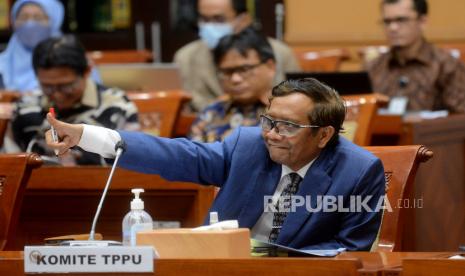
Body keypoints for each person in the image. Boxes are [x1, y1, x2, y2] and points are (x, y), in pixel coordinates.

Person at [45, 78, 385, 251]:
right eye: (269, 121)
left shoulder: (359, 170)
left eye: (289, 127)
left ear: (324, 135)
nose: (272, 134)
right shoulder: (247, 145)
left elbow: (348, 251)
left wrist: (268, 261)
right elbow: (177, 155)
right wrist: (88, 137)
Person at [11, 35, 139, 165]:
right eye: (47, 87)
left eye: (66, 86)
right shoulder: (26, 108)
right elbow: (13, 164)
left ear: (87, 71)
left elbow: (131, 160)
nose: (57, 95)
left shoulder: (117, 106)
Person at [174, 0, 300, 111]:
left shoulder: (281, 54)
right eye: (204, 19)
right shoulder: (185, 58)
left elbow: (298, 104)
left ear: (244, 19)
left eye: (219, 19)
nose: (209, 26)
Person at [366, 0, 465, 112]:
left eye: (401, 20)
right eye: (387, 21)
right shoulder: (373, 67)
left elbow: (460, 117)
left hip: (430, 129)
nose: (393, 28)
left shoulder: (447, 66)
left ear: (422, 22)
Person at [190, 27, 276, 142]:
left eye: (244, 69)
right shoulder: (211, 112)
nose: (235, 79)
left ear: (270, 67)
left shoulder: (286, 112)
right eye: (227, 72)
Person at [0, 0, 64, 93]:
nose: (30, 24)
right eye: (23, 17)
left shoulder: (70, 61)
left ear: (54, 22)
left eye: (38, 18)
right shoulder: (2, 66)